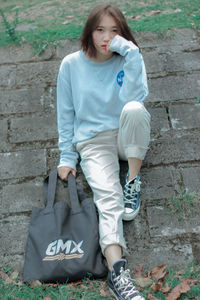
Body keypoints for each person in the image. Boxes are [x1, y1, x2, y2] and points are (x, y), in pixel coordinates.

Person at [57, 4, 150, 300]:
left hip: (124, 133)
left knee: (136, 109)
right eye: (100, 29)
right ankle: (118, 274)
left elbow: (136, 98)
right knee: (108, 198)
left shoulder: (129, 58)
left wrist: (132, 54)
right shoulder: (71, 65)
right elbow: (66, 113)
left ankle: (132, 180)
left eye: (114, 31)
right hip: (93, 141)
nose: (106, 38)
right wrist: (67, 157)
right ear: (89, 31)